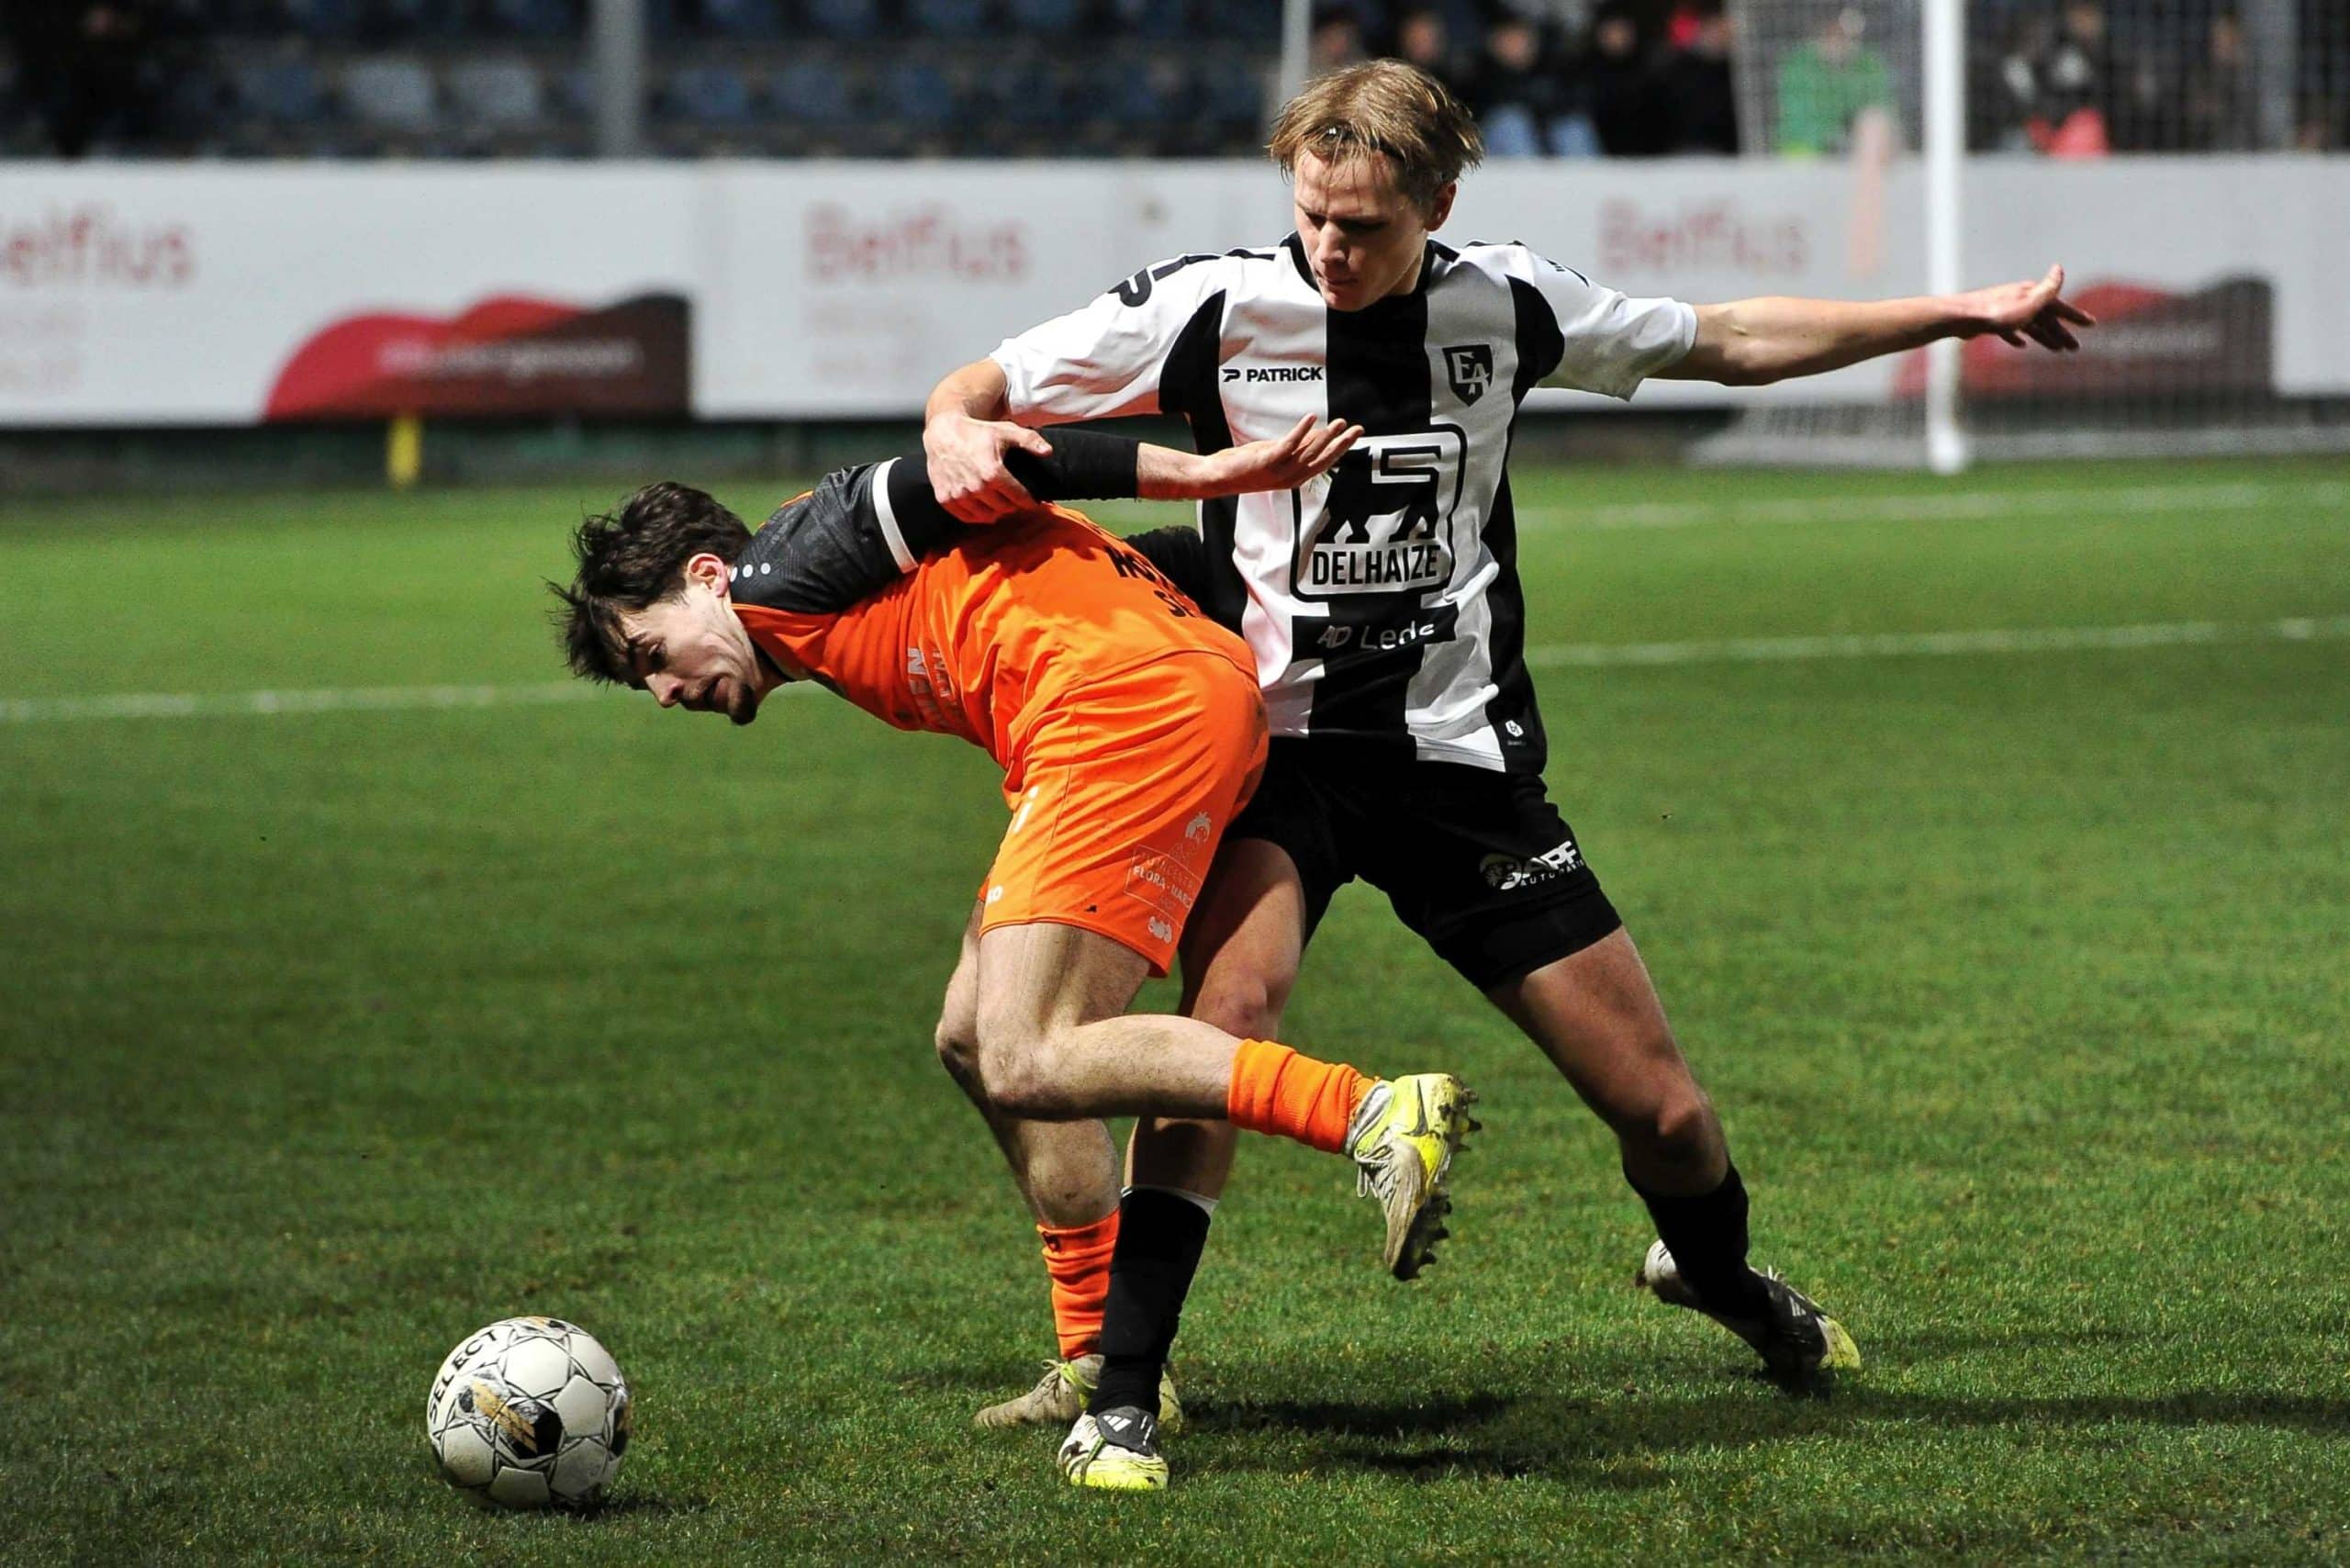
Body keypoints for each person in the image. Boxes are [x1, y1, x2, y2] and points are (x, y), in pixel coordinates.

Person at [924, 59, 2095, 1491]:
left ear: (1437, 199)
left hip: (1460, 764)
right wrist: (954, 426)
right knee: (1224, 1023)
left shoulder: (1510, 302)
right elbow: (985, 383)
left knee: (1664, 1114)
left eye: (1362, 225)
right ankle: (1126, 1390)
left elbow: (1729, 338)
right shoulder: (1216, 306)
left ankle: (1721, 1278)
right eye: (1312, 216)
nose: (1330, 249)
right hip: (1279, 757)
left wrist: (1957, 313)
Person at [549, 419, 1480, 1491]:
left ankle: (1370, 1113)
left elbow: (1002, 463)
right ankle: (1094, 1355)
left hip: (1117, 714)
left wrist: (1209, 475)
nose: (664, 692)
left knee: (1029, 1051)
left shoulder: (786, 565)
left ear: (708, 577)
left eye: (652, 656)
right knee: (968, 1031)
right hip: (1132, 709)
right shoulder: (812, 610)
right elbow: (1105, 552)